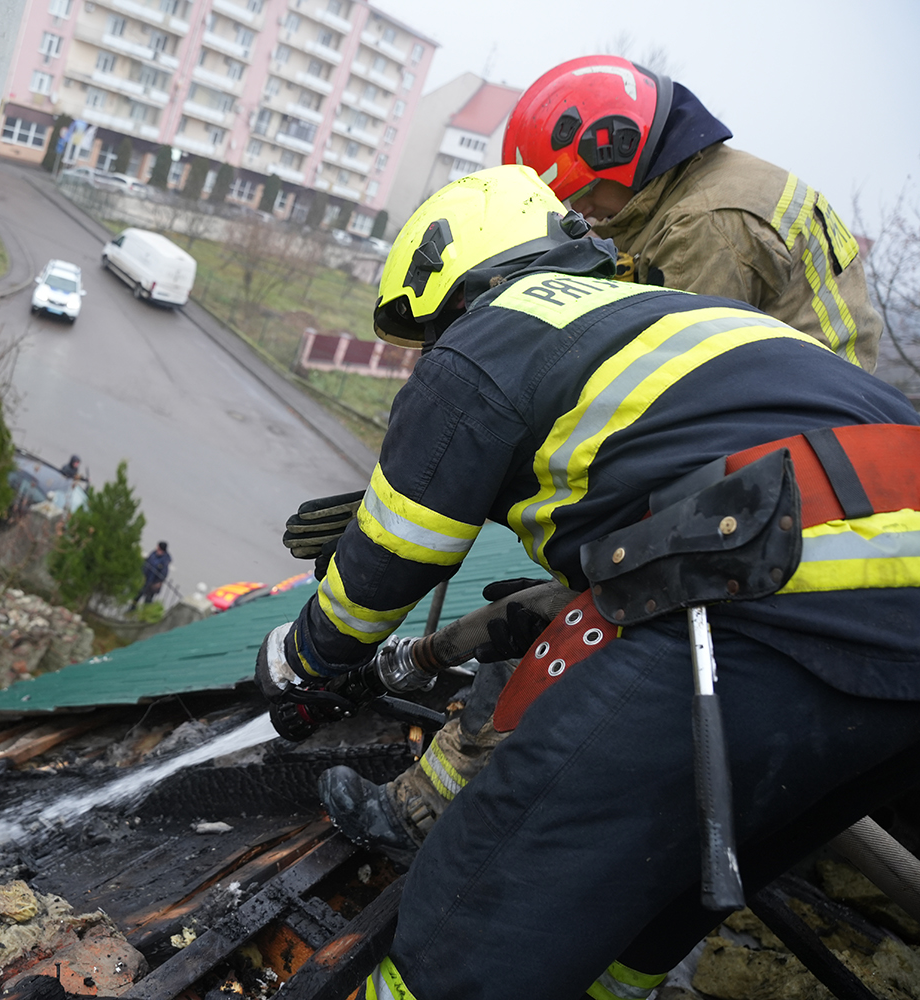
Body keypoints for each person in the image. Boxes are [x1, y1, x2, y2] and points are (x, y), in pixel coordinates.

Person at [255, 166, 920, 999]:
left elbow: (395, 554)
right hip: (887, 625)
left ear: (456, 286)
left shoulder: (492, 333)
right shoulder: (677, 318)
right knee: (665, 882)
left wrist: (299, 658)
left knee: (482, 894)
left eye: (429, 337)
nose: (431, 359)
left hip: (766, 588)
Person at [502, 55, 880, 371]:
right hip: (809, 407)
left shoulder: (703, 223)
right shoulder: (705, 185)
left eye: (581, 191)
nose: (580, 210)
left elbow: (665, 376)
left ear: (619, 146)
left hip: (797, 427)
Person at [130, 541, 171, 610]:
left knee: (148, 599)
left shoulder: (165, 560)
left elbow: (163, 573)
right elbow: (147, 561)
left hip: (153, 583)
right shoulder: (154, 553)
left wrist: (158, 582)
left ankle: (145, 613)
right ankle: (132, 608)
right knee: (137, 595)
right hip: (145, 579)